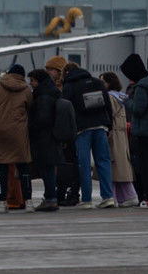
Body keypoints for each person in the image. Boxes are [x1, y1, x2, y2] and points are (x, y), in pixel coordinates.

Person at [61, 61, 116, 209]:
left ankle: (86, 199)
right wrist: (109, 125)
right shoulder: (97, 82)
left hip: (82, 130)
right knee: (103, 161)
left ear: (66, 73)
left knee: (84, 164)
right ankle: (108, 197)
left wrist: (65, 132)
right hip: (101, 127)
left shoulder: (69, 86)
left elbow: (65, 110)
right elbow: (108, 105)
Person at [0, 63, 33, 211]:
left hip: (1, 132)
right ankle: (29, 202)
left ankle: (2, 203)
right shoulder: (26, 90)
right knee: (23, 168)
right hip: (19, 133)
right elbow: (31, 108)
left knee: (2, 168)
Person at [120, 52, 148, 208]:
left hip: (143, 131)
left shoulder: (140, 87)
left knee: (144, 166)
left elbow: (138, 110)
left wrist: (126, 101)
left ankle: (147, 197)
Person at [26, 69, 64, 212]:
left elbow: (43, 118)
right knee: (48, 169)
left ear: (39, 80)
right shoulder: (51, 91)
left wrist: (31, 126)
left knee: (46, 169)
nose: (31, 84)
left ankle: (50, 198)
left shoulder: (43, 96)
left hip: (43, 138)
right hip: (51, 137)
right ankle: (50, 197)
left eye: (33, 81)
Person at [100, 72, 139, 207]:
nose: (101, 85)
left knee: (112, 166)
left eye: (103, 82)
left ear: (109, 83)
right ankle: (127, 196)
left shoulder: (109, 97)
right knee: (122, 166)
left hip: (113, 134)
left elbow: (108, 115)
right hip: (122, 136)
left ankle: (113, 197)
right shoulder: (122, 96)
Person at [47, 56, 80, 206]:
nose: (48, 73)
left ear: (59, 71)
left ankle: (69, 192)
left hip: (68, 133)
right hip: (61, 132)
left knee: (68, 163)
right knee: (63, 163)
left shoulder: (64, 88)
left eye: (51, 70)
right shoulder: (54, 87)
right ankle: (62, 191)